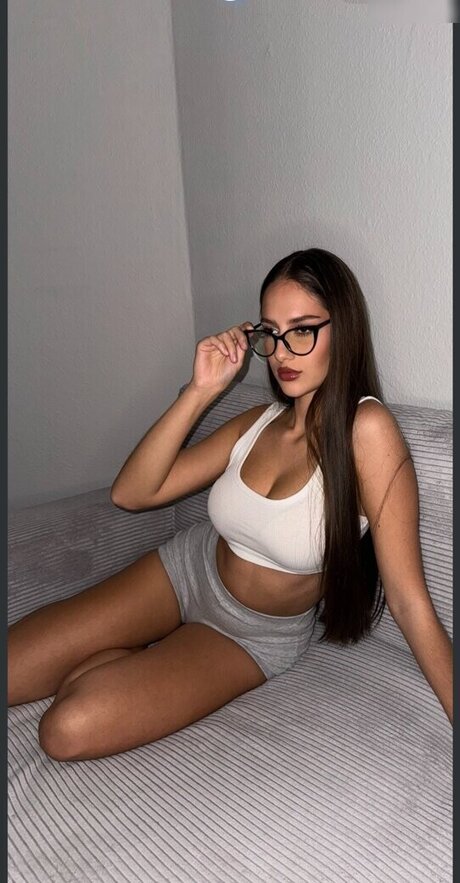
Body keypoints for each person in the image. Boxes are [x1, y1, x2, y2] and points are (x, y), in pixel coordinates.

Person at [8, 248, 453, 761]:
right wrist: (201, 390)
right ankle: (128, 658)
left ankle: (126, 663)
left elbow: (409, 601)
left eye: (303, 330)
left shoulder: (368, 431)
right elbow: (131, 494)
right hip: (186, 570)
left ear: (344, 330)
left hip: (252, 634)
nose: (282, 353)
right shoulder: (258, 422)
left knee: (65, 730)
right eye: (271, 332)